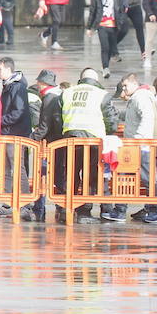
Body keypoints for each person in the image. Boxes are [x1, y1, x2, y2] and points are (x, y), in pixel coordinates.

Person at [59, 68, 118, 223]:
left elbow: (59, 115)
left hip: (70, 138)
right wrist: (109, 134)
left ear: (81, 79)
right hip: (93, 141)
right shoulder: (101, 94)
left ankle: (67, 208)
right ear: (96, 80)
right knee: (91, 176)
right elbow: (111, 120)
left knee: (71, 175)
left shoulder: (67, 92)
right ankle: (85, 211)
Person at [103, 74, 157, 224]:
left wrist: (137, 139)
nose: (124, 89)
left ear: (134, 84)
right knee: (132, 178)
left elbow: (147, 118)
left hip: (139, 146)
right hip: (139, 145)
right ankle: (129, 210)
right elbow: (133, 117)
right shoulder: (138, 97)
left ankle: (150, 211)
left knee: (140, 178)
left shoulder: (140, 97)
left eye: (125, 86)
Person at [0, 57, 32, 220]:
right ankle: (8, 203)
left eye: (0, 69)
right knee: (7, 168)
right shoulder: (9, 85)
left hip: (16, 133)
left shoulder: (18, 87)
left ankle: (25, 203)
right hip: (9, 132)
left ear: (9, 69)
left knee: (17, 167)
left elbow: (19, 112)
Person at [29, 69, 63, 221]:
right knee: (59, 177)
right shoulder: (58, 96)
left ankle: (39, 210)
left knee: (42, 176)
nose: (37, 84)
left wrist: (31, 138)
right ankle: (61, 208)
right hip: (60, 143)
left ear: (43, 83)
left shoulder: (49, 98)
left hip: (51, 145)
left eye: (39, 82)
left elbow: (44, 126)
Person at [85, 0, 127, 79]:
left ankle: (112, 57)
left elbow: (121, 10)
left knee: (111, 46)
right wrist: (89, 28)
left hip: (113, 25)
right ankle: (105, 68)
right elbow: (92, 12)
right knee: (105, 47)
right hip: (102, 25)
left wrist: (120, 21)